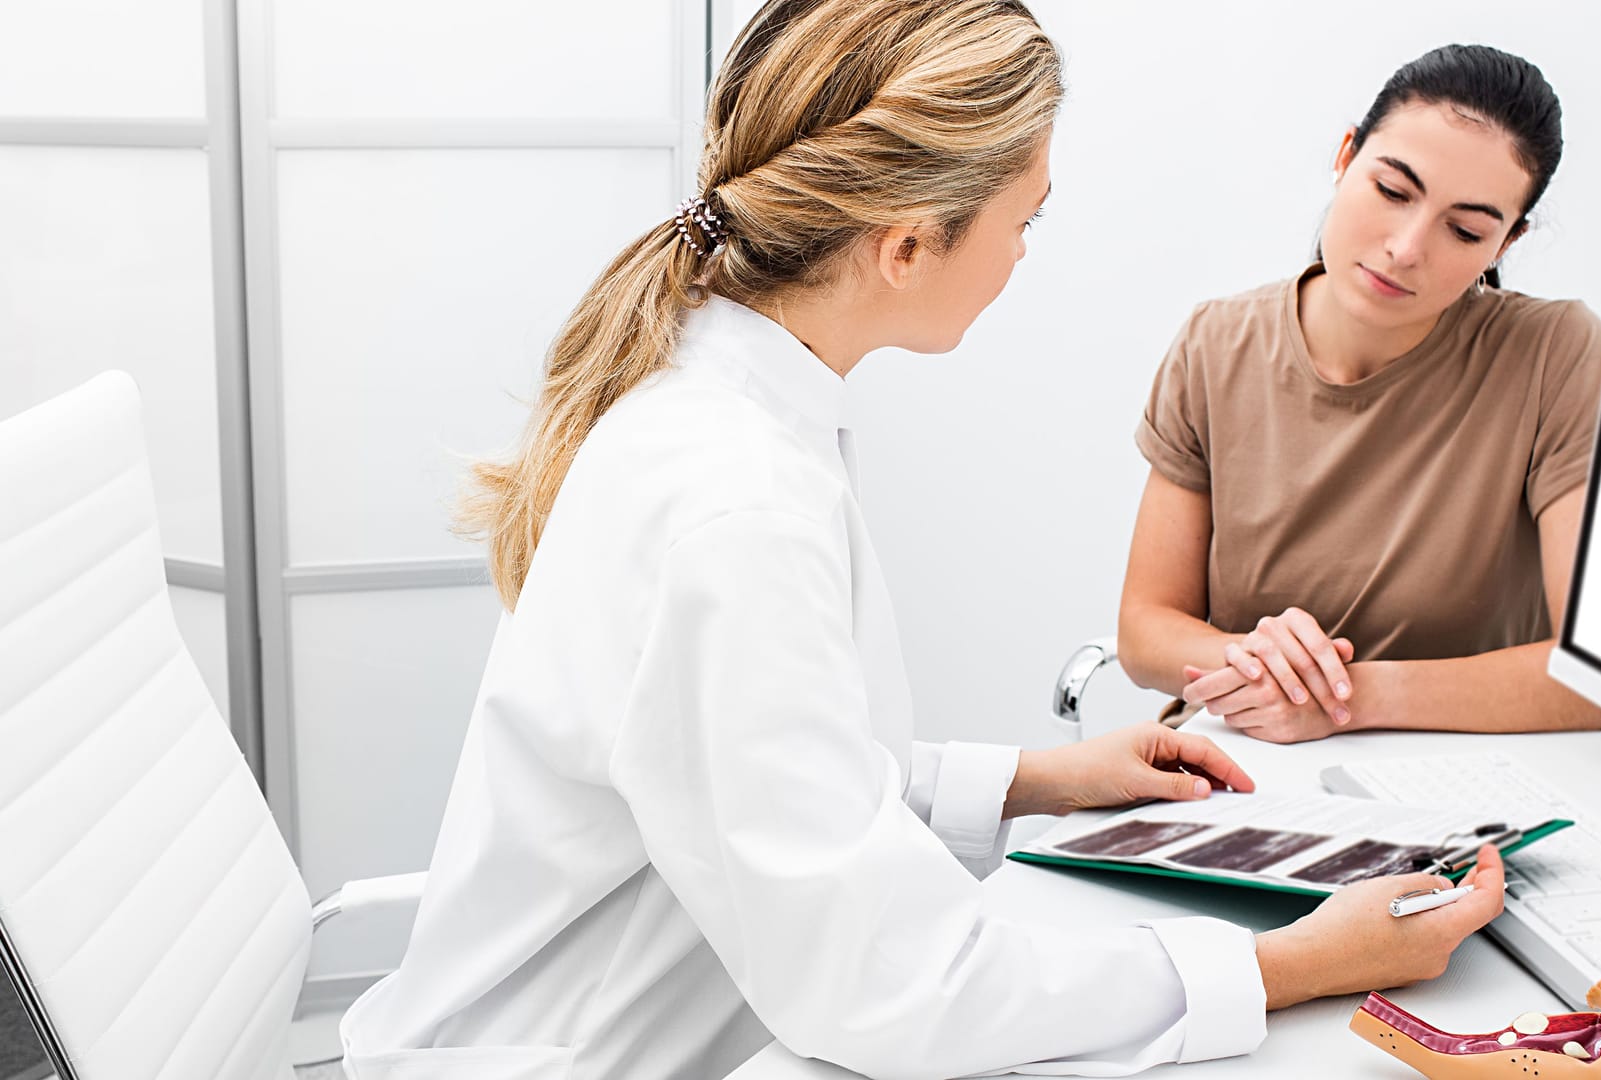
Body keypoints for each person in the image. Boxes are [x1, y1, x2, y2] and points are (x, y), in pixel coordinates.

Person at [337, 5, 1504, 1078]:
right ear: (906, 246)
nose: (1025, 253)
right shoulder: (734, 502)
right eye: (1024, 217)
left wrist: (1037, 782)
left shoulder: (733, 409)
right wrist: (1296, 962)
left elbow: (772, 773)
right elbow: (892, 989)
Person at [1119, 44, 1601, 745]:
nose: (1407, 247)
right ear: (1345, 156)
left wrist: (1347, 695)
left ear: (1508, 241)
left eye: (1466, 229)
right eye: (1393, 191)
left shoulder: (1555, 355)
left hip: (1458, 785)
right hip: (1244, 765)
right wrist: (1261, 663)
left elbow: (1600, 675)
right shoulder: (1217, 343)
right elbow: (1145, 630)